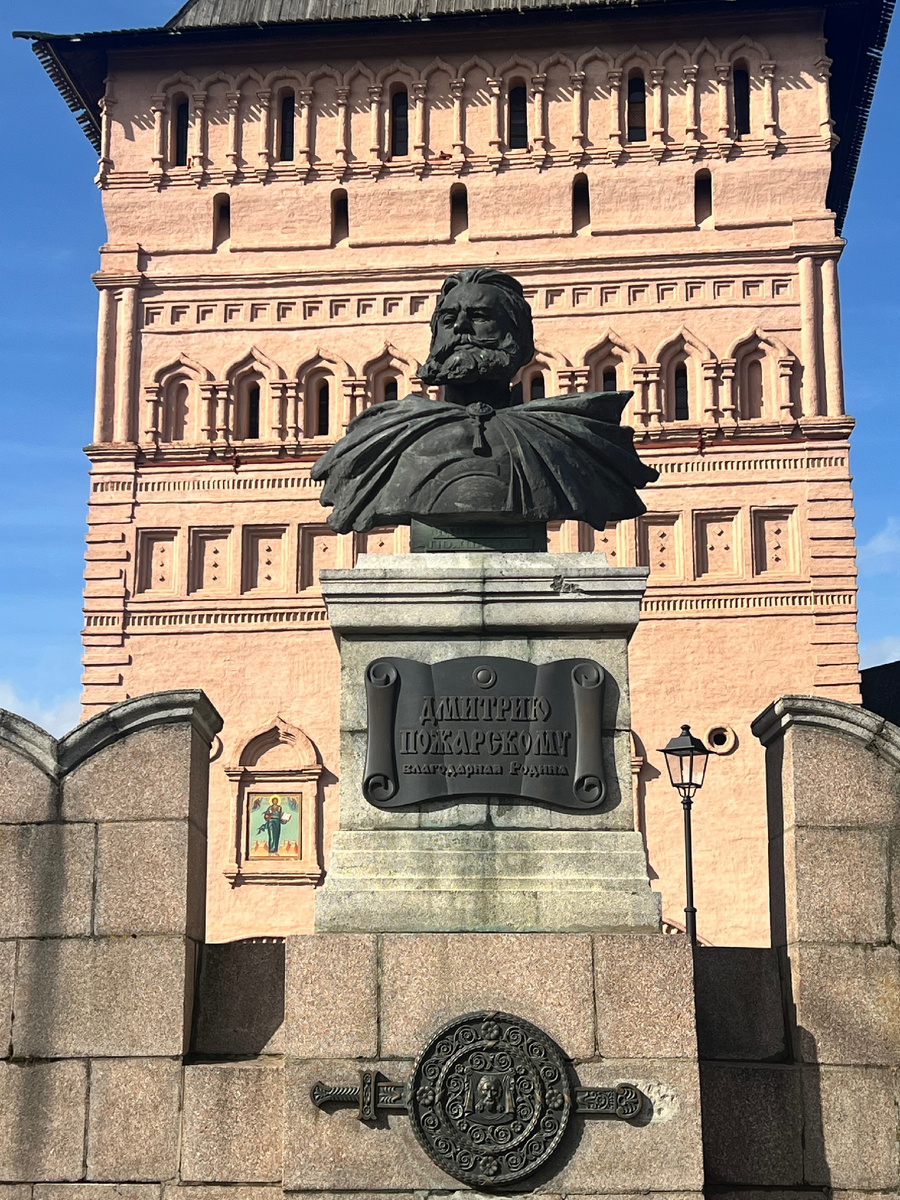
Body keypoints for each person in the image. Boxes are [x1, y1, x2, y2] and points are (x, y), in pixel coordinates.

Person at [311, 267, 658, 535]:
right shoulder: (379, 436)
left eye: (480, 316)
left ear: (517, 337)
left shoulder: (573, 439)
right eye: (449, 319)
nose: (461, 327)